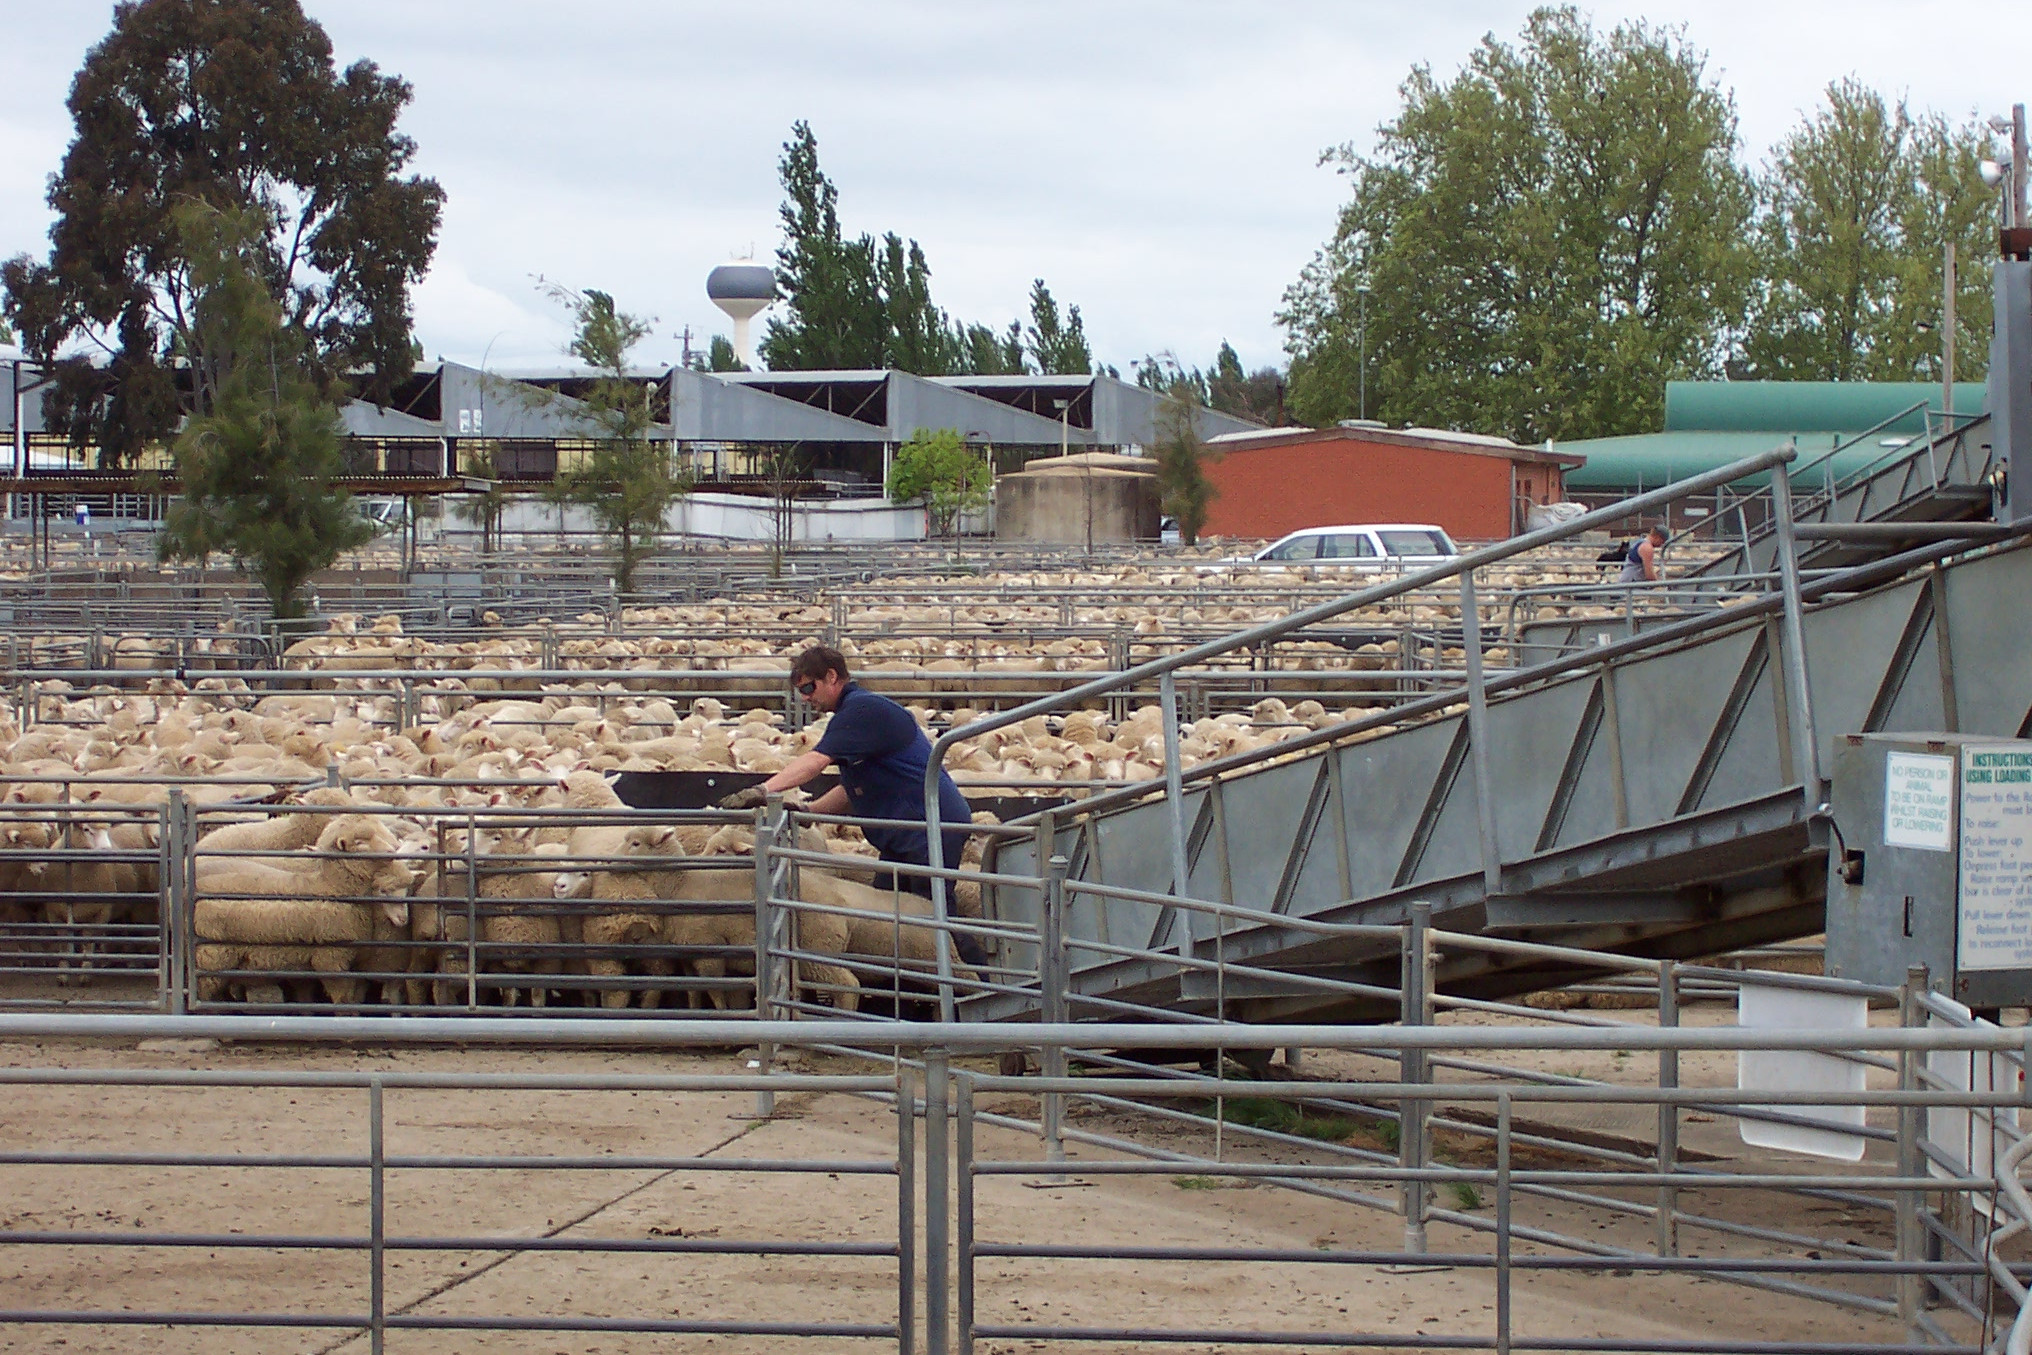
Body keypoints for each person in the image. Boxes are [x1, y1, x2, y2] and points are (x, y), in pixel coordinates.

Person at [720, 647, 981, 950]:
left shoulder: (861, 710)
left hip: (928, 826)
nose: (805, 698)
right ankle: (910, 992)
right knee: (889, 918)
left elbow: (816, 761)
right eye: (800, 691)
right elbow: (854, 789)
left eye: (808, 687)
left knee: (932, 918)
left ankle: (977, 988)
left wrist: (764, 790)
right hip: (908, 830)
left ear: (831, 677)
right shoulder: (855, 715)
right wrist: (809, 812)